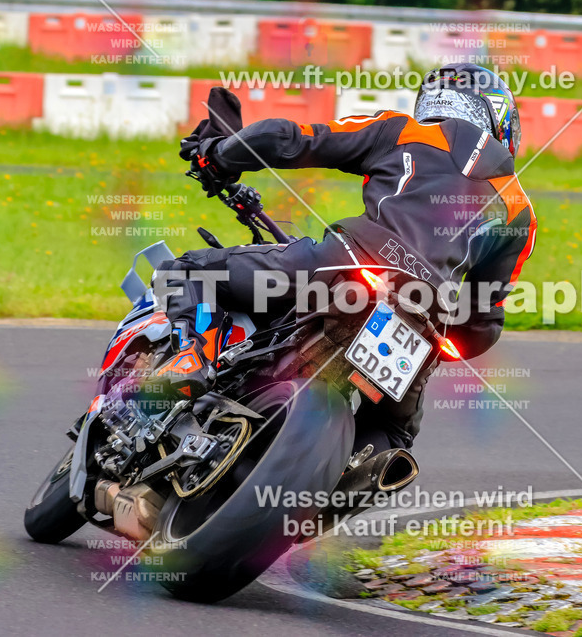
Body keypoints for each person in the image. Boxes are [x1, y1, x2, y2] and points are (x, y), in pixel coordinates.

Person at [159, 63, 536, 455]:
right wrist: (434, 343)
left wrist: (216, 156)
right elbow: (481, 322)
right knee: (393, 436)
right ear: (501, 122)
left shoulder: (406, 130)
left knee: (185, 273)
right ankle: (348, 476)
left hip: (349, 264)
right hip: (425, 314)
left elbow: (288, 139)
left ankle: (188, 359)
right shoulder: (519, 209)